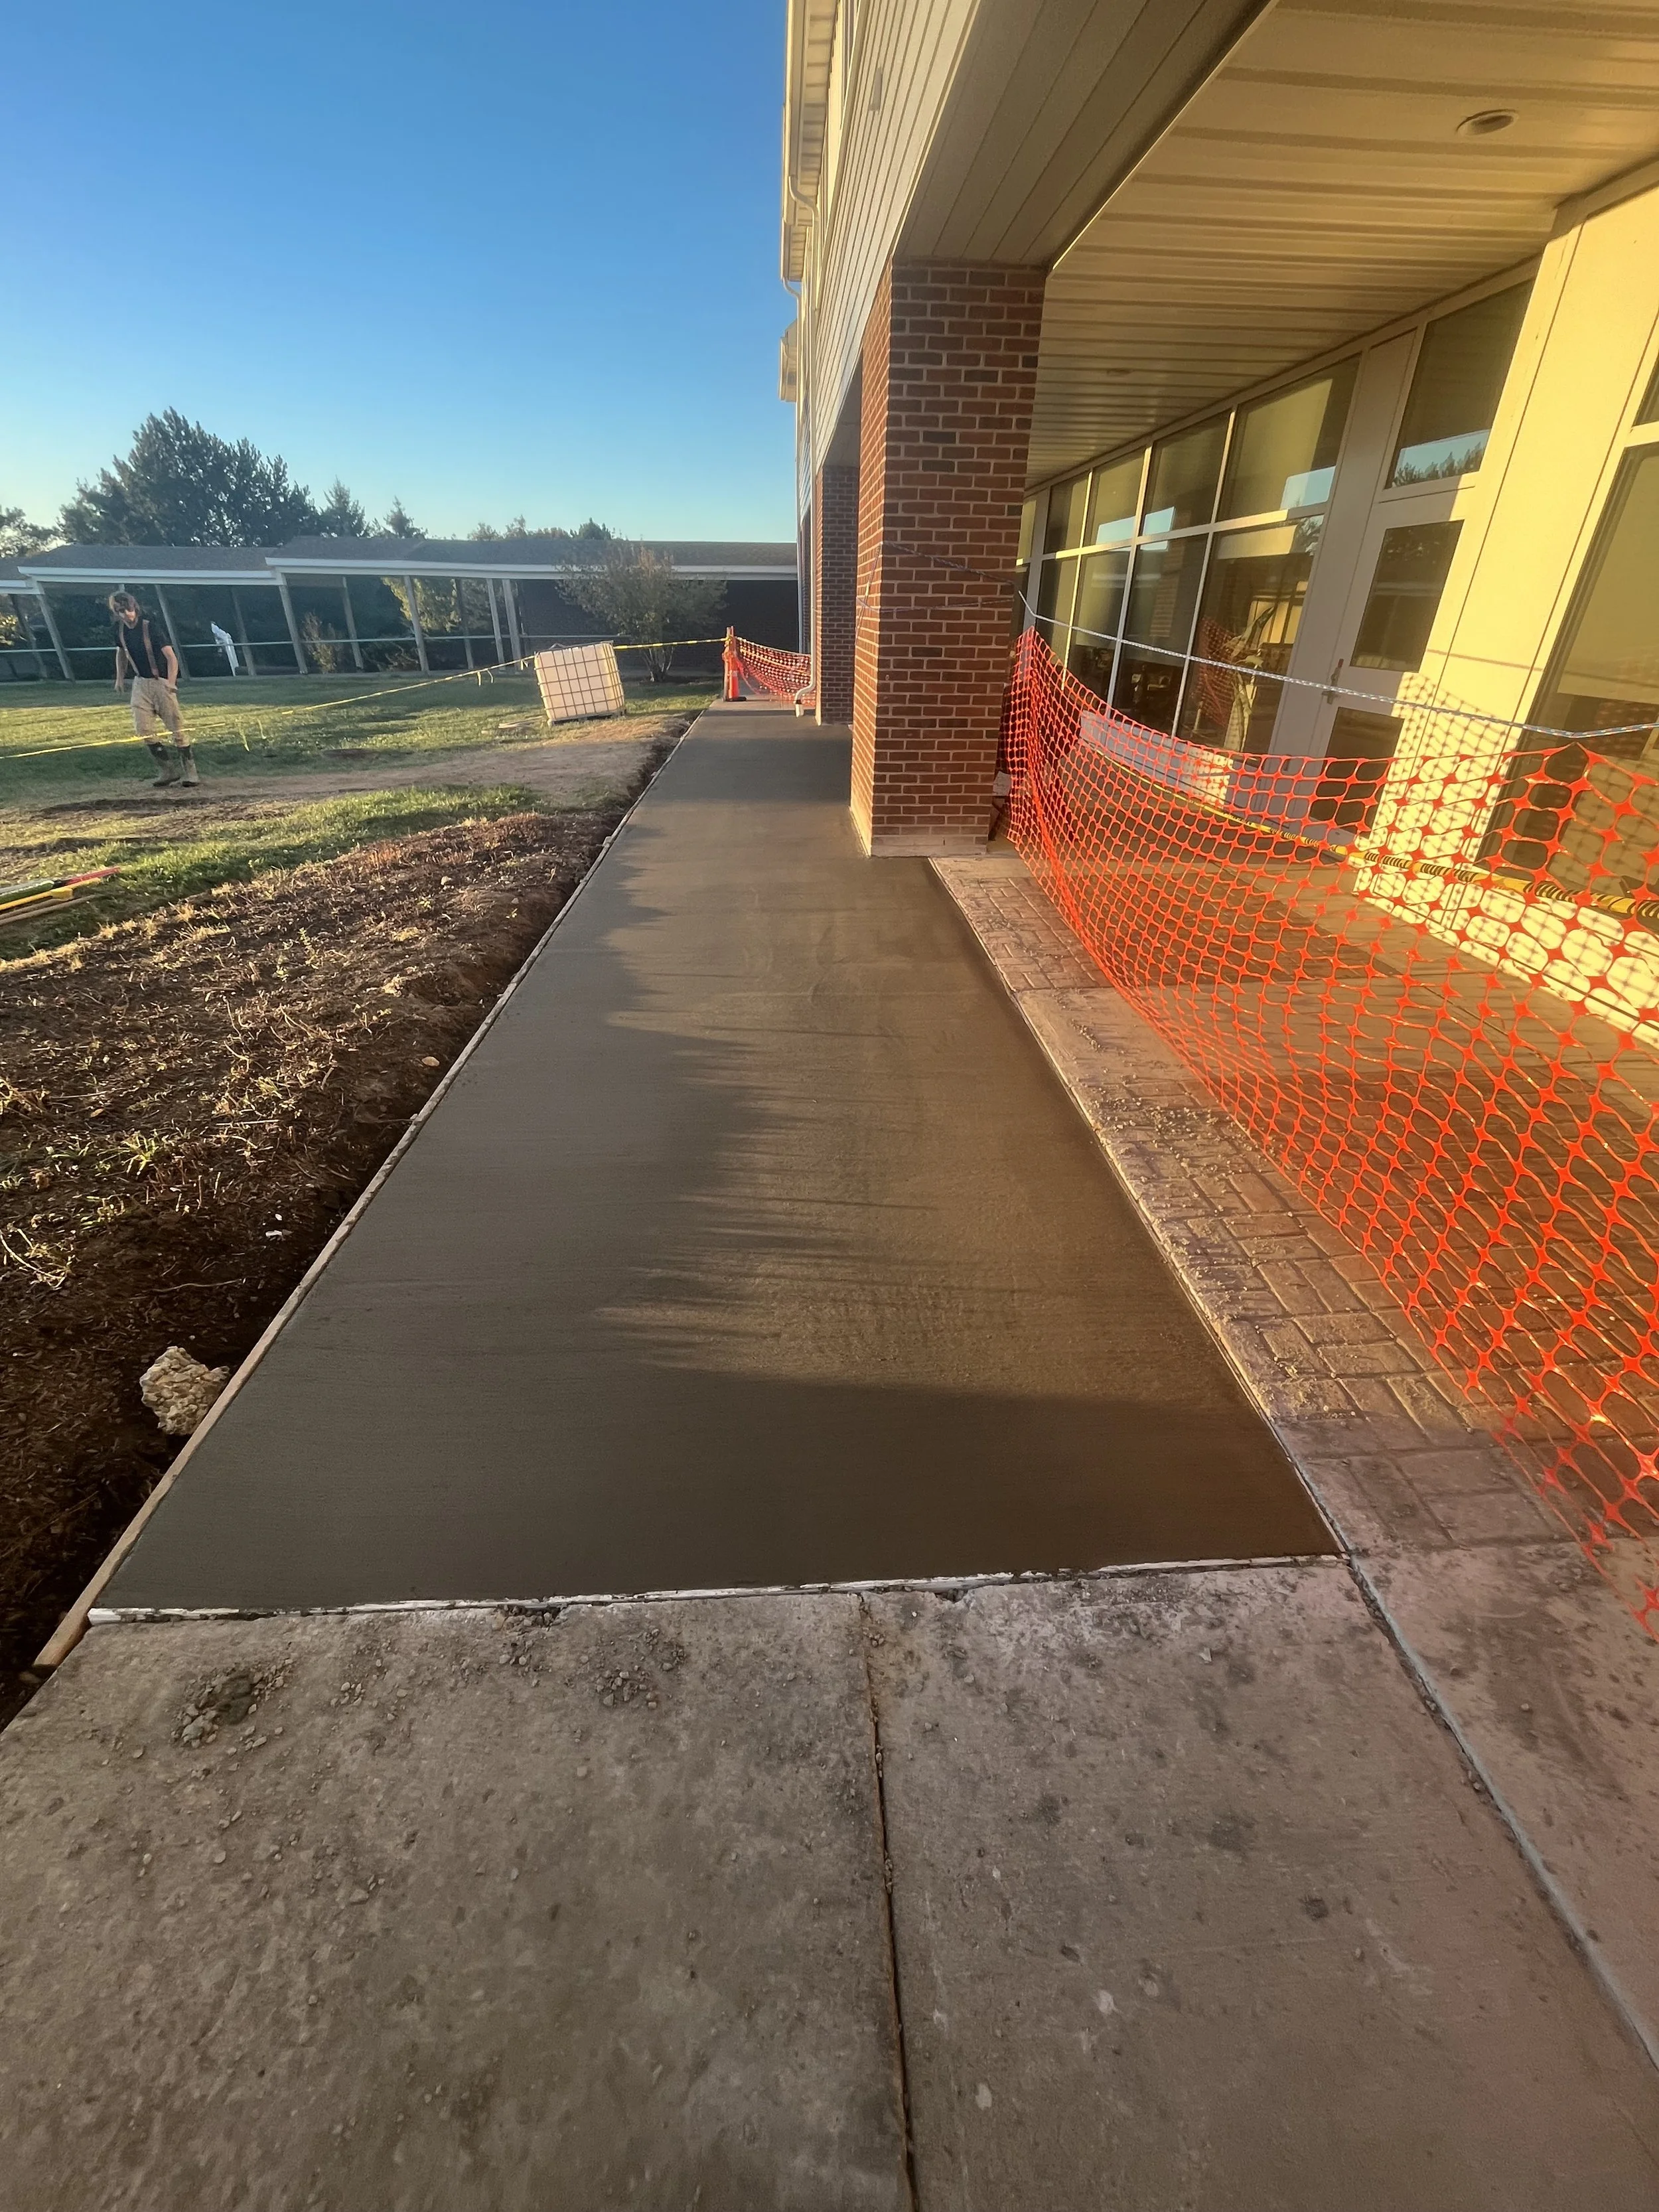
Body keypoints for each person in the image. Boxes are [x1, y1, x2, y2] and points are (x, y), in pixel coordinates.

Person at [109, 591, 198, 787]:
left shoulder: (150, 627)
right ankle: (167, 770)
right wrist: (120, 678)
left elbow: (171, 657)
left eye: (128, 610)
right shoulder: (119, 630)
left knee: (177, 728)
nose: (126, 615)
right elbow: (121, 653)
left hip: (161, 681)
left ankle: (190, 772)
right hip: (140, 683)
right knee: (144, 729)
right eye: (120, 612)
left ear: (135, 608)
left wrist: (172, 682)